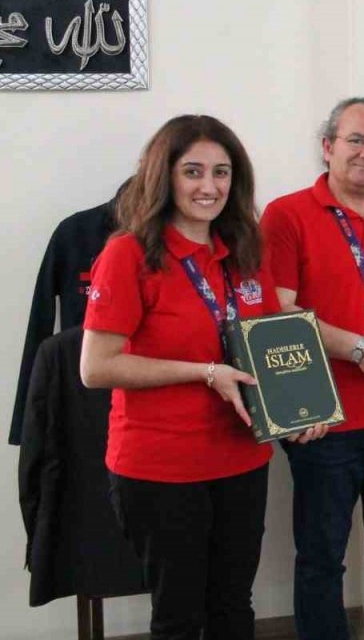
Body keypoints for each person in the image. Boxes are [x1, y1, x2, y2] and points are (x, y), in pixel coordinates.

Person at [81, 115, 315, 639]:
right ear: (163, 175)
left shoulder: (247, 252)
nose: (209, 187)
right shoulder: (128, 254)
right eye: (193, 171)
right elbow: (96, 367)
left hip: (242, 458)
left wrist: (303, 409)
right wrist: (205, 373)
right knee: (179, 616)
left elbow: (270, 348)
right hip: (162, 469)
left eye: (222, 172)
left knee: (233, 606)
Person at [261, 97, 364, 640]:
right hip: (322, 420)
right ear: (328, 145)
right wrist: (361, 349)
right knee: (321, 557)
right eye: (357, 139)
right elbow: (278, 314)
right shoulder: (285, 214)